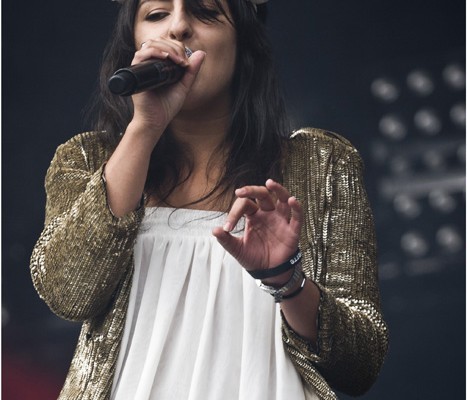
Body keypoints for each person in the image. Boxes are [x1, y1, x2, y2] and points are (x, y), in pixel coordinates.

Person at [30, 0, 388, 399]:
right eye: (156, 14)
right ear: (133, 39)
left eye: (205, 12)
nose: (179, 28)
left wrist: (286, 279)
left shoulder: (322, 163)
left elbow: (361, 363)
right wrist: (144, 128)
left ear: (242, 41)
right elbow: (67, 292)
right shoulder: (88, 159)